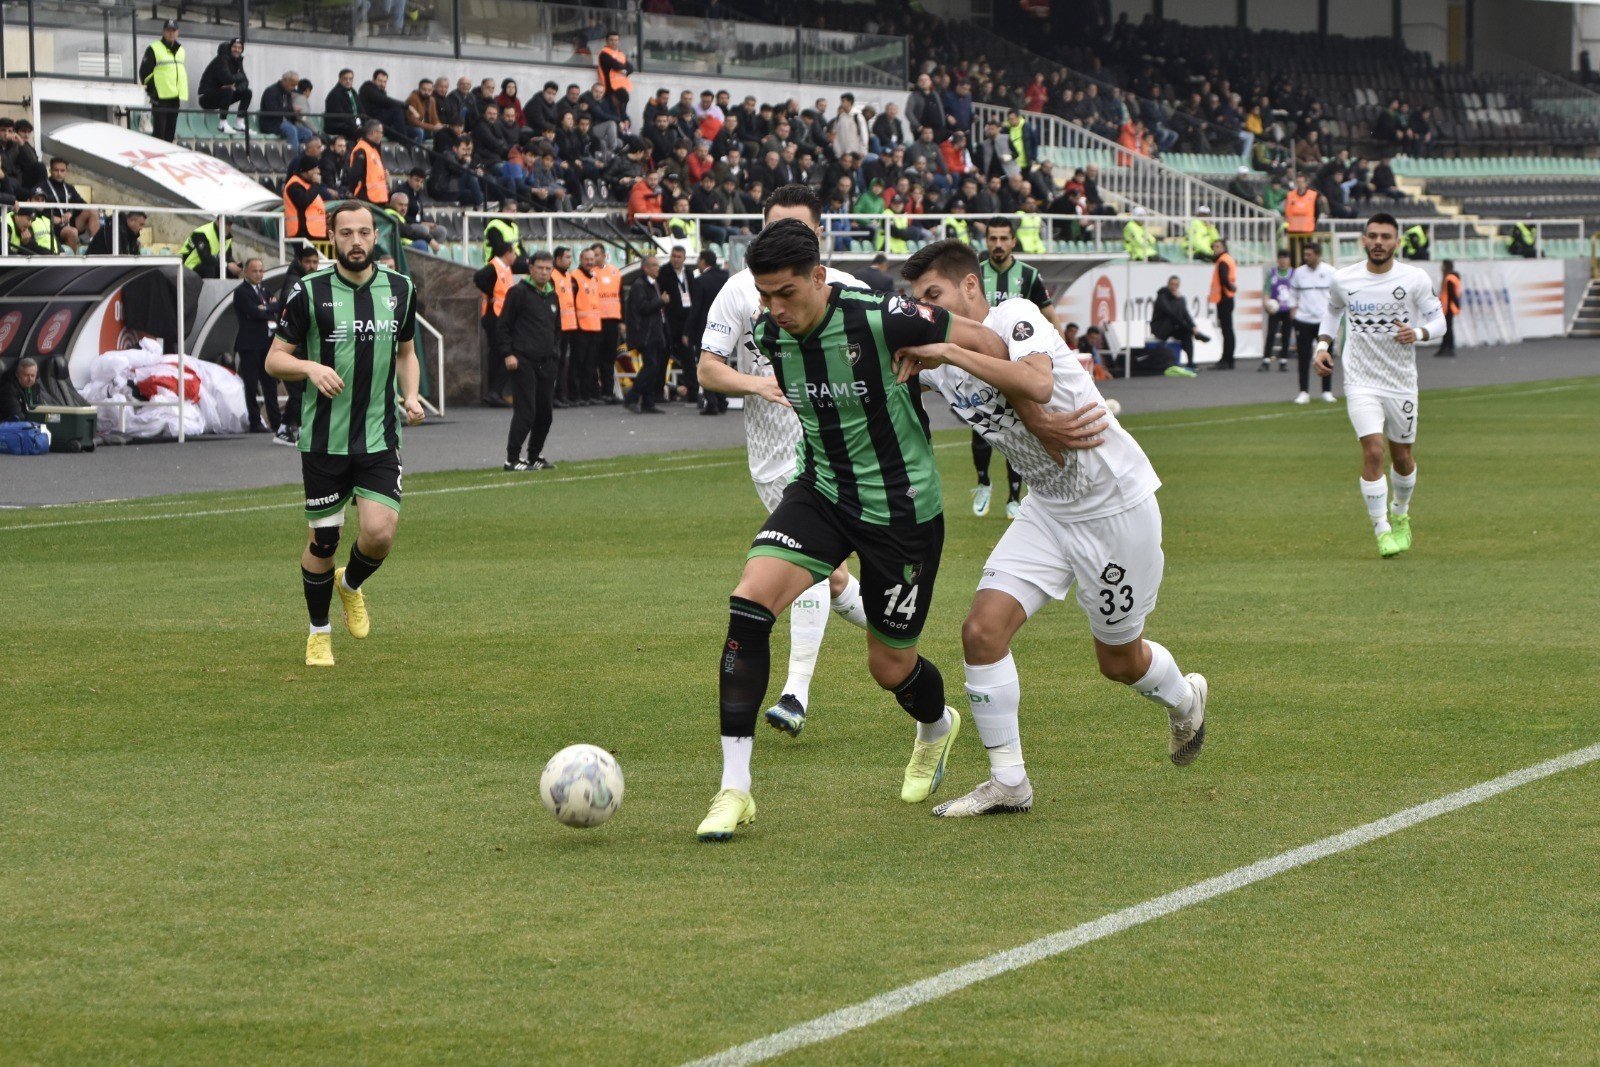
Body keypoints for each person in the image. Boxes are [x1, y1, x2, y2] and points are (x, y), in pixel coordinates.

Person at [693, 216, 1013, 842]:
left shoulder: (884, 315)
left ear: (819, 276)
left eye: (787, 293)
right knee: (749, 602)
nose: (774, 308)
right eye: (765, 295)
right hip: (821, 494)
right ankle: (735, 788)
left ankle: (934, 726)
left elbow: (993, 348)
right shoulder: (768, 334)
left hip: (901, 509)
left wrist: (937, 349)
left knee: (891, 666)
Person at [899, 239, 1208, 814]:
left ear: (971, 287)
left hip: (1113, 505)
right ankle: (1009, 781)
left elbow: (1037, 383)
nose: (927, 311)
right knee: (980, 632)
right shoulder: (942, 361)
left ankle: (1185, 698)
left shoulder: (1012, 315)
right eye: (918, 303)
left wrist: (946, 351)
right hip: (1048, 508)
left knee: (1119, 663)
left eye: (934, 296)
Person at [695, 184, 880, 741]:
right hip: (771, 458)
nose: (782, 240)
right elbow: (708, 370)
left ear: (818, 236)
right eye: (772, 228)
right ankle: (897, 630)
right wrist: (761, 385)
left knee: (803, 563)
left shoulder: (850, 291)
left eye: (795, 229)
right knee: (834, 574)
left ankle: (795, 691)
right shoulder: (737, 293)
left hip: (834, 453)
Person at [265, 201, 423, 667]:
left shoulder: (400, 289)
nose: (357, 241)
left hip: (379, 435)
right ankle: (319, 632)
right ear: (331, 238)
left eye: (365, 232)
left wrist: (411, 395)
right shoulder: (309, 291)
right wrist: (310, 367)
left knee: (379, 534)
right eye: (347, 233)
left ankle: (350, 585)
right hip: (323, 440)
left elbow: (407, 352)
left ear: (376, 237)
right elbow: (275, 359)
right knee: (324, 542)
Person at [1313, 213, 1445, 559]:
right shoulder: (1344, 279)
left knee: (1402, 457)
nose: (1378, 242)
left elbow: (1439, 321)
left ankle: (1401, 513)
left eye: (1385, 237)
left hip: (1400, 381)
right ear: (1363, 240)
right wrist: (1323, 346)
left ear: (1396, 242)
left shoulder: (1414, 278)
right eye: (1372, 236)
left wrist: (1416, 333)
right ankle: (1382, 528)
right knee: (1373, 451)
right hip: (1360, 380)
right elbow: (1332, 311)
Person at [973, 215, 1055, 519]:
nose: (997, 244)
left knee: (1015, 429)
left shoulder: (1029, 276)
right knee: (980, 429)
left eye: (1003, 238)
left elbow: (1048, 315)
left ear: (1013, 241)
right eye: (992, 238)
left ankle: (1014, 497)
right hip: (981, 364)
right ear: (987, 241)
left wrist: (1064, 350)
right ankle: (983, 483)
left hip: (1018, 366)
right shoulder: (976, 275)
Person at [497, 249, 561, 471]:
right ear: (531, 269)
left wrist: (555, 353)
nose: (544, 273)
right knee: (526, 411)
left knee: (545, 414)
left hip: (547, 361)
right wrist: (508, 353)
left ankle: (534, 455)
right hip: (523, 359)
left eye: (548, 268)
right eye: (540, 268)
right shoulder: (518, 292)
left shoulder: (553, 295)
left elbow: (557, 329)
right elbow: (503, 325)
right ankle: (512, 459)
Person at [273, 243, 321, 445]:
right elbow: (292, 310)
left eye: (315, 262)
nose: (312, 266)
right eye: (308, 262)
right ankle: (302, 431)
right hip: (294, 349)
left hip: (299, 348)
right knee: (300, 393)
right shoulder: (296, 283)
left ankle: (284, 430)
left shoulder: (301, 280)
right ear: (299, 262)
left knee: (300, 392)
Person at [231, 258, 281, 433]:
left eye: (261, 271)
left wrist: (266, 307)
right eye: (255, 271)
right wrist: (268, 308)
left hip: (267, 344)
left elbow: (278, 306)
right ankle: (254, 421)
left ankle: (276, 421)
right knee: (251, 384)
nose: (259, 274)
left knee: (270, 384)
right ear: (246, 272)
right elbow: (253, 312)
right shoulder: (241, 292)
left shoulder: (265, 290)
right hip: (250, 344)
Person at [1288, 241, 1337, 404]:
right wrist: (1293, 310)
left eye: (1309, 254)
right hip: (1303, 320)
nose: (1305, 257)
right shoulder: (1299, 273)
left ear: (1318, 255)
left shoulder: (1330, 272)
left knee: (1326, 357)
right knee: (1303, 357)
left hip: (1324, 322)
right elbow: (1293, 292)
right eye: (1305, 254)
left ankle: (1327, 391)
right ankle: (1303, 392)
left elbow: (1338, 294)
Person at [474, 242, 519, 406]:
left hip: (501, 315)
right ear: (507, 253)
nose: (515, 257)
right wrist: (490, 293)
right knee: (504, 353)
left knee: (498, 355)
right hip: (495, 315)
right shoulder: (494, 266)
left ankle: (494, 392)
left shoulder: (505, 268)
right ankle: (494, 392)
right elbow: (478, 277)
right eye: (513, 253)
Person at [684, 248, 728, 413]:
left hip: (705, 328)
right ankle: (722, 400)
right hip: (725, 328)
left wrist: (687, 331)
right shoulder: (726, 277)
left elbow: (696, 309)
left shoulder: (700, 281)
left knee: (706, 365)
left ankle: (712, 403)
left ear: (703, 262)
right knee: (722, 365)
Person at [623, 255, 667, 414]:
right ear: (645, 268)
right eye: (654, 265)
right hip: (644, 333)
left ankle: (648, 402)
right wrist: (661, 301)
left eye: (658, 265)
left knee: (654, 367)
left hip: (654, 333)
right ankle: (632, 396)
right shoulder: (639, 285)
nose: (657, 268)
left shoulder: (654, 284)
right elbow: (642, 307)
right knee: (651, 365)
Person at [32, 158, 99, 252]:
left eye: (62, 170)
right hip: (53, 225)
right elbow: (34, 207)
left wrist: (71, 213)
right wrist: (51, 217)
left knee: (92, 211)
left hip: (69, 221)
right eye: (56, 170)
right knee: (72, 232)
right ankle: (72, 262)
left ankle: (96, 248)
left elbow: (83, 204)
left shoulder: (69, 188)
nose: (59, 173)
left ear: (66, 171)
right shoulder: (41, 187)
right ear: (50, 170)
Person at [657, 245, 695, 406]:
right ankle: (658, 392)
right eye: (673, 256)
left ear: (684, 258)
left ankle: (692, 392)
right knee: (663, 358)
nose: (676, 259)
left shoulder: (689, 273)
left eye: (679, 256)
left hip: (686, 322)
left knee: (688, 359)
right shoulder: (664, 272)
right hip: (669, 322)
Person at [139, 20, 187, 143]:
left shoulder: (181, 50)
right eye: (168, 31)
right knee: (159, 133)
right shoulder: (154, 48)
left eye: (173, 31)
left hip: (175, 97)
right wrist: (152, 91)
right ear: (163, 32)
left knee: (170, 133)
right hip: (160, 96)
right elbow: (144, 73)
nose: (171, 33)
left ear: (178, 32)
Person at [197, 38, 250, 136]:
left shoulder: (237, 61)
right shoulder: (221, 60)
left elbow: (246, 82)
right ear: (230, 48)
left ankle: (239, 122)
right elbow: (228, 79)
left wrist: (237, 88)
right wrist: (240, 76)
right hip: (206, 98)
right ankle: (222, 124)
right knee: (228, 90)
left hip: (221, 95)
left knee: (247, 92)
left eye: (239, 48)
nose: (237, 50)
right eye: (234, 47)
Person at [571, 248, 604, 404]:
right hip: (581, 328)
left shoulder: (593, 277)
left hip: (594, 326)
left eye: (592, 259)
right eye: (587, 259)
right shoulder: (575, 277)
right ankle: (576, 395)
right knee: (578, 363)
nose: (590, 262)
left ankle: (588, 394)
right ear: (581, 259)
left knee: (591, 364)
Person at [592, 245, 623, 404]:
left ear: (604, 255)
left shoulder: (615, 272)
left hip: (612, 320)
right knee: (595, 358)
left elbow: (620, 296)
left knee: (609, 358)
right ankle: (595, 392)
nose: (595, 258)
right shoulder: (590, 273)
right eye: (593, 255)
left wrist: (622, 321)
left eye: (597, 255)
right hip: (595, 321)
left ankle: (608, 392)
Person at [548, 246, 578, 407]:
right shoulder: (552, 276)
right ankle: (552, 396)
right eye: (567, 257)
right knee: (555, 362)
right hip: (556, 326)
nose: (569, 260)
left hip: (567, 325)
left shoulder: (568, 276)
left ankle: (560, 394)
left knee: (561, 362)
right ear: (558, 259)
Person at [1151, 275, 1202, 368]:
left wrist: (1193, 326)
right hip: (1160, 328)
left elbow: (1186, 314)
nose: (1174, 287)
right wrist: (1179, 299)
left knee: (1186, 333)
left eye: (1176, 285)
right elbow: (1171, 313)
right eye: (1172, 284)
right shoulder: (1162, 297)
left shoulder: (1180, 298)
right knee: (1178, 324)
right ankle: (1196, 334)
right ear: (1168, 285)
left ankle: (1190, 362)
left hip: (1173, 326)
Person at [263, 69, 315, 154]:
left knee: (307, 133)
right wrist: (291, 109)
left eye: (295, 85)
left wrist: (296, 114)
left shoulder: (288, 93)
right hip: (272, 123)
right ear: (285, 81)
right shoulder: (271, 91)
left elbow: (289, 112)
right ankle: (295, 159)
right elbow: (273, 111)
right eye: (292, 85)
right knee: (291, 130)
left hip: (287, 123)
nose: (294, 88)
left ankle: (304, 157)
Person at [282, 155, 327, 243]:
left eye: (317, 168)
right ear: (306, 171)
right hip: (302, 232)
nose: (318, 171)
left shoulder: (308, 184)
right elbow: (304, 201)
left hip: (315, 233)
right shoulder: (294, 185)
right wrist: (316, 184)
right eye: (314, 169)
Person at [1261, 249, 1292, 373]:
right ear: (1278, 260)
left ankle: (1283, 360)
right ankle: (1266, 360)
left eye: (1286, 258)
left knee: (1286, 335)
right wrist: (1266, 304)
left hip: (1288, 309)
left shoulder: (1293, 274)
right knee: (1271, 334)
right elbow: (1267, 290)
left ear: (1289, 260)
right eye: (1281, 259)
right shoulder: (1272, 273)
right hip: (1274, 309)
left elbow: (1296, 292)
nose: (1283, 261)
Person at [1209, 238, 1237, 369]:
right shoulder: (1227, 259)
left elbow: (1224, 278)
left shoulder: (1222, 261)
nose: (1215, 249)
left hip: (1224, 298)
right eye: (1214, 246)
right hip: (1228, 298)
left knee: (1226, 330)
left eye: (1218, 246)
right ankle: (1229, 358)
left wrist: (1230, 287)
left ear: (1224, 247)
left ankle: (1226, 359)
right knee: (1228, 330)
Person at [347, 120, 390, 206]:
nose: (382, 135)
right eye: (381, 132)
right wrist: (351, 191)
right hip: (366, 198)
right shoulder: (362, 149)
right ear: (374, 132)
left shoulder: (373, 149)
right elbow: (355, 173)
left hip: (378, 198)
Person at [1283, 173, 1324, 264]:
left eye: (1302, 182)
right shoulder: (1290, 195)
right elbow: (1286, 211)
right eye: (1298, 182)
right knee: (1292, 253)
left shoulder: (1313, 195)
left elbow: (1317, 211)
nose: (1300, 184)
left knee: (1306, 253)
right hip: (1293, 229)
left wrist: (1313, 223)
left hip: (1307, 229)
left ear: (1306, 183)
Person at [597, 32, 633, 124]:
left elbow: (631, 68)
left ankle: (623, 130)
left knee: (622, 115)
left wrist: (625, 70)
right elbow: (616, 65)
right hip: (610, 90)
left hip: (622, 90)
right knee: (612, 116)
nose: (614, 42)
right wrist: (624, 68)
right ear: (606, 41)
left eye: (616, 40)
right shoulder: (604, 54)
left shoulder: (620, 54)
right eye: (611, 40)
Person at [0, 357, 38, 421]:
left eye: (32, 376)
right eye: (26, 375)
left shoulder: (35, 388)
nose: (30, 379)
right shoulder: (8, 390)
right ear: (17, 375)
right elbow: (16, 416)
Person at [1438, 260, 1461, 357]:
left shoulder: (1449, 278)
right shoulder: (1453, 277)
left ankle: (1449, 347)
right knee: (1447, 327)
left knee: (1448, 328)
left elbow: (1451, 294)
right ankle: (1444, 347)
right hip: (1448, 307)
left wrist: (1457, 304)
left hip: (1448, 307)